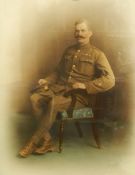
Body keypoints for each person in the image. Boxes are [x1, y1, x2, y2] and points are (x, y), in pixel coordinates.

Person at [19, 19, 115, 157]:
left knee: (54, 102)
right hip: (60, 89)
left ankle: (32, 143)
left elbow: (110, 79)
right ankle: (47, 141)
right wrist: (46, 80)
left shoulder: (98, 54)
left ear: (90, 33)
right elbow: (58, 72)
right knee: (35, 98)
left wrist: (85, 85)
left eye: (83, 30)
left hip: (80, 97)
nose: (79, 34)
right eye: (77, 31)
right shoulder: (69, 50)